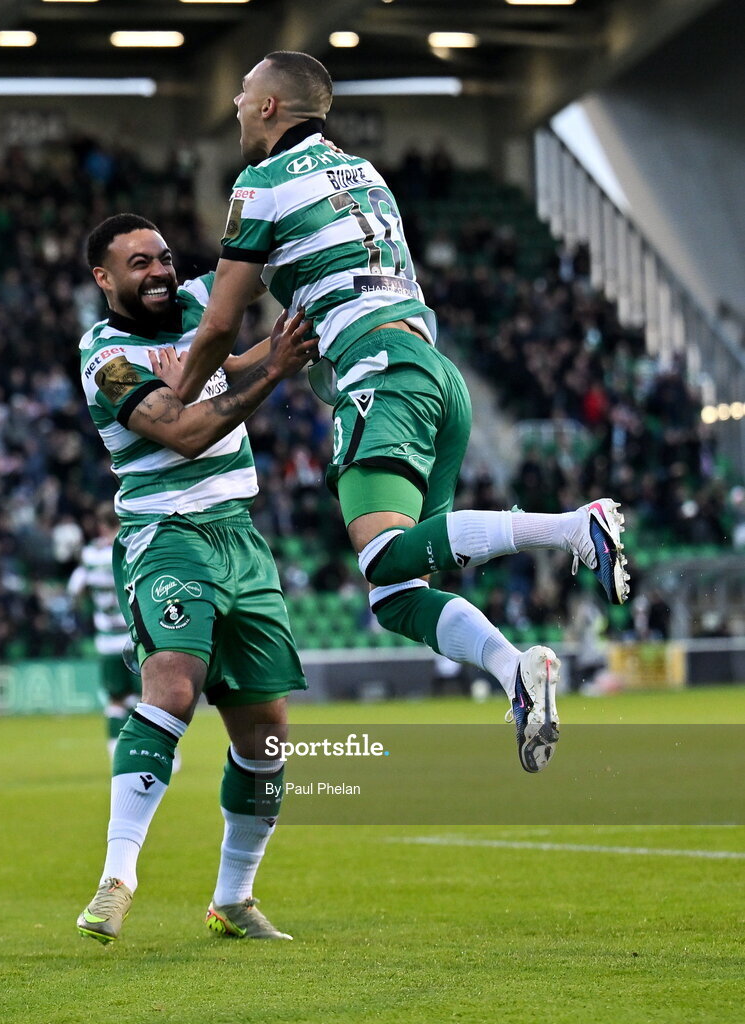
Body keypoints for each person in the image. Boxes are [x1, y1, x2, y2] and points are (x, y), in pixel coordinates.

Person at [172, 51, 630, 774]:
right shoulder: (361, 172)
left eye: (242, 91)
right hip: (431, 375)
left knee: (383, 553)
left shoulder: (260, 183)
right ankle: (516, 671)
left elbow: (221, 317)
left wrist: (184, 389)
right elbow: (340, 289)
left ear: (269, 108)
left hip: (380, 379)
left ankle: (573, 525)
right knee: (395, 592)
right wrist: (245, 364)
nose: (232, 102)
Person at [75, 213, 316, 946]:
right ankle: (118, 879)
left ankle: (233, 899)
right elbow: (180, 431)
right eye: (138, 262)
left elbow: (222, 357)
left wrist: (265, 351)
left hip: (240, 534)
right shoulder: (106, 357)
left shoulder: (199, 309)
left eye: (164, 258)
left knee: (267, 734)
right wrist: (273, 368)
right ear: (104, 279)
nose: (158, 271)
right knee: (173, 683)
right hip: (166, 536)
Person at [67, 502, 145, 759]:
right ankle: (155, 750)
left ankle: (115, 751)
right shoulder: (133, 548)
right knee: (146, 697)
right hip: (135, 635)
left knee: (115, 699)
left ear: (101, 526)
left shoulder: (90, 556)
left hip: (106, 639)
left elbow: (75, 590)